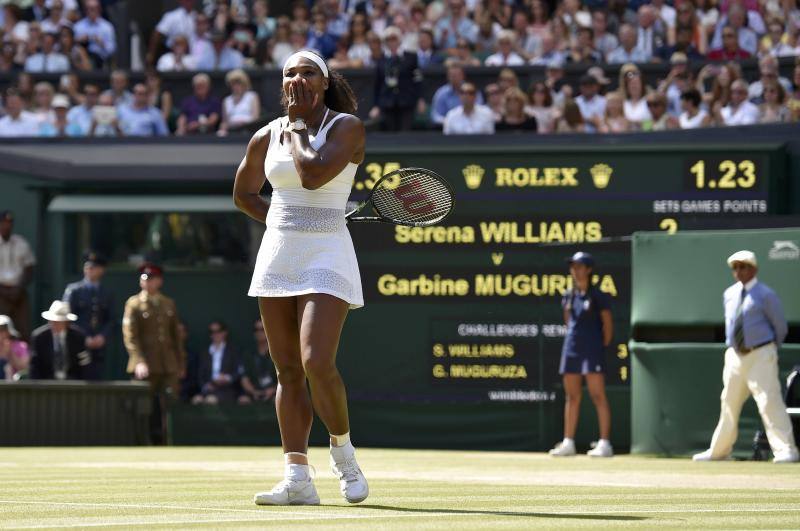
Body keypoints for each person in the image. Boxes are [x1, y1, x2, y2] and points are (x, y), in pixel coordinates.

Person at [232, 49, 368, 506]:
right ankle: (297, 477)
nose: (298, 79)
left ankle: (343, 454)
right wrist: (281, 220)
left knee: (315, 361)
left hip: (329, 250)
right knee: (287, 369)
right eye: (290, 72)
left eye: (308, 72)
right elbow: (244, 195)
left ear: (325, 82)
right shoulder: (263, 136)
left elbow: (311, 175)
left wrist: (295, 127)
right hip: (278, 253)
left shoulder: (346, 128)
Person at [693, 251, 799, 463]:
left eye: (743, 266)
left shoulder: (766, 294)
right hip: (734, 356)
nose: (739, 271)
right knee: (728, 402)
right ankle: (719, 451)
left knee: (769, 402)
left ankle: (787, 450)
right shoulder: (729, 294)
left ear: (754, 269)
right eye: (735, 267)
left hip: (760, 353)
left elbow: (780, 326)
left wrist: (768, 349)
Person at [549, 252, 614, 458]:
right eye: (573, 267)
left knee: (597, 395)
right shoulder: (568, 296)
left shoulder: (598, 296)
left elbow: (608, 326)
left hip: (592, 351)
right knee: (572, 396)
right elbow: (568, 322)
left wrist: (597, 345)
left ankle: (605, 444)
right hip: (572, 350)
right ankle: (568, 442)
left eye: (579, 266)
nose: (575, 271)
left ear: (588, 269)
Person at [123, 263, 185, 445]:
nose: (147, 282)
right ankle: (142, 442)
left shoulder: (168, 303)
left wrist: (181, 363)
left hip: (168, 364)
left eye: (152, 279)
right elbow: (130, 337)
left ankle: (170, 442)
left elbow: (176, 337)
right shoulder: (133, 304)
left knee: (170, 404)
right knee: (143, 406)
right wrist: (139, 361)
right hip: (146, 365)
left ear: (159, 281)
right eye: (144, 279)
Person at [62, 251, 114, 380]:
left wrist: (102, 336)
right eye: (88, 266)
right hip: (77, 345)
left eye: (94, 267)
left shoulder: (107, 293)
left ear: (102, 270)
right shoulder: (74, 290)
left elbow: (111, 319)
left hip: (98, 348)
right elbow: (66, 318)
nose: (90, 269)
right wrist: (83, 338)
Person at [369, 26, 422, 131]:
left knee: (405, 133)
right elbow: (378, 85)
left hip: (406, 102)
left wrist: (420, 99)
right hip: (388, 103)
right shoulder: (381, 60)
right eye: (388, 40)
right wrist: (376, 105)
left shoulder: (410, 57)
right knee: (390, 135)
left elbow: (417, 79)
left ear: (399, 40)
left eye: (394, 39)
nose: (392, 42)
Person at [29, 300, 90, 380]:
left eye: (59, 321)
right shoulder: (39, 337)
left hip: (72, 384)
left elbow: (84, 364)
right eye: (53, 321)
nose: (55, 324)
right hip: (46, 384)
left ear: (66, 322)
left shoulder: (78, 337)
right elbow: (35, 366)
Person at [0, 211, 36, 340]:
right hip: (0, 292)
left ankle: (22, 358)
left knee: (23, 331)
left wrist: (19, 288)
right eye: (3, 223)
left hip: (19, 292)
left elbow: (30, 268)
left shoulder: (21, 243)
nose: (6, 226)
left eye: (9, 223)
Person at [193, 320, 242, 404]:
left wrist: (227, 378)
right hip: (208, 389)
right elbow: (200, 375)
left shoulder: (233, 351)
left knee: (210, 400)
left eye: (218, 331)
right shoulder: (204, 353)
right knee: (196, 400)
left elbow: (238, 371)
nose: (215, 334)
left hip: (227, 390)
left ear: (225, 332)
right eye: (212, 332)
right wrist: (206, 386)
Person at [239, 318, 277, 404]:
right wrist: (254, 392)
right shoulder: (248, 354)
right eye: (256, 330)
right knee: (243, 400)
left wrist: (273, 390)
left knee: (278, 400)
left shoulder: (277, 353)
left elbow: (285, 377)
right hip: (254, 393)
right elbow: (244, 378)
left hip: (274, 393)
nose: (259, 333)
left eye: (262, 329)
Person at [73, 0, 116, 68]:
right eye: (88, 9)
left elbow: (112, 50)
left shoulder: (107, 27)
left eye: (93, 9)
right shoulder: (78, 26)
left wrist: (102, 43)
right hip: (81, 61)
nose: (90, 11)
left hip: (101, 61)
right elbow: (71, 47)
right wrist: (78, 41)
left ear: (99, 9)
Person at [218, 68, 260, 136]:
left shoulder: (252, 96)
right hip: (231, 130)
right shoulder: (226, 100)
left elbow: (255, 118)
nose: (236, 86)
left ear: (244, 84)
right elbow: (224, 122)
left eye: (239, 83)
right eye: (233, 84)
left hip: (248, 130)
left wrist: (243, 123)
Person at [0, 315, 29, 380]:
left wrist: (10, 353)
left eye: (3, 330)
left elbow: (24, 368)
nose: (1, 333)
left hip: (15, 386)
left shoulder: (21, 346)